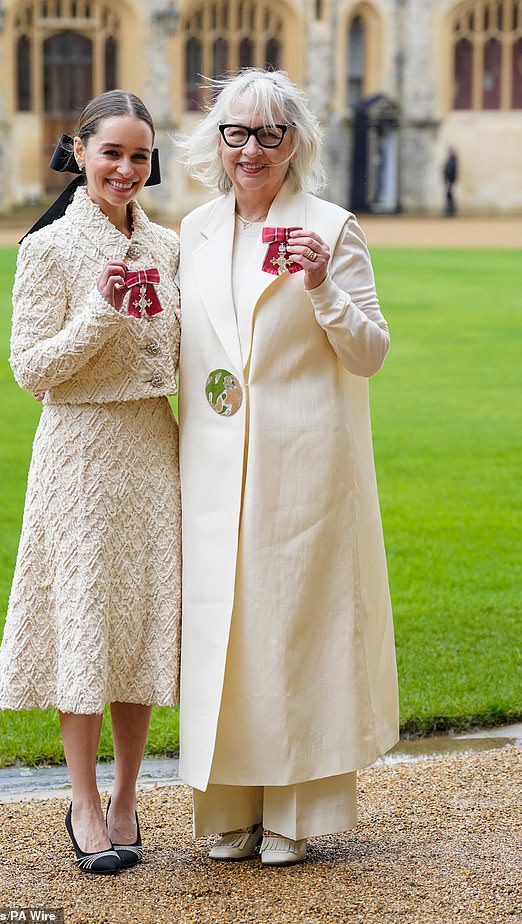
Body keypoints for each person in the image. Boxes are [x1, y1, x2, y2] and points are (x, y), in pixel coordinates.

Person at [176, 68, 399, 868]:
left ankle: (295, 816)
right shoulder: (194, 231)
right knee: (224, 635)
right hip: (210, 461)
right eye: (237, 132)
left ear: (295, 142)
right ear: (217, 141)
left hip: (303, 462)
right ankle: (229, 811)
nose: (252, 149)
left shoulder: (333, 230)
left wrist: (322, 285)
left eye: (271, 134)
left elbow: (370, 354)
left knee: (292, 635)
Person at [0, 90, 181, 875]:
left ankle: (131, 794)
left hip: (153, 446)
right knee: (84, 625)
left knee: (137, 627)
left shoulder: (169, 248)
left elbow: (182, 353)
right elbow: (31, 371)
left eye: (140, 156)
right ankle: (84, 801)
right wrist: (102, 311)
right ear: (79, 152)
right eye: (112, 153)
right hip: (78, 456)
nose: (126, 169)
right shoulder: (47, 250)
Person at [443, 147, 458, 216]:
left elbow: (451, 171)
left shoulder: (452, 160)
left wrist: (449, 180)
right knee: (449, 194)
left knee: (449, 194)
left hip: (450, 180)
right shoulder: (452, 159)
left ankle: (450, 209)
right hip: (449, 180)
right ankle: (450, 209)